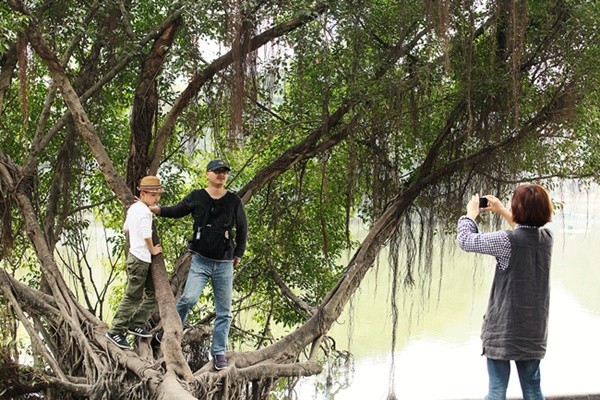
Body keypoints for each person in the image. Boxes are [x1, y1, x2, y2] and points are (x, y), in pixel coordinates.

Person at [456, 184, 554, 400]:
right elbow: (525, 231)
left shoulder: (505, 241)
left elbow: (465, 241)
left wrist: (469, 216)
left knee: (497, 390)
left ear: (517, 208)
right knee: (533, 388)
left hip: (503, 329)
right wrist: (501, 210)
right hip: (533, 330)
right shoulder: (546, 239)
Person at [150, 159, 247, 370]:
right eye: (217, 171)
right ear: (208, 174)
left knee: (224, 311)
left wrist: (238, 253)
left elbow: (242, 228)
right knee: (188, 298)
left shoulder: (233, 200)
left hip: (224, 263)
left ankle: (218, 352)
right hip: (201, 261)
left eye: (224, 172)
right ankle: (171, 333)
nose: (221, 175)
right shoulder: (197, 196)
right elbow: (176, 211)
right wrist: (154, 209)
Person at [106, 176, 164, 349]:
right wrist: (153, 249)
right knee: (133, 296)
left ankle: (136, 323)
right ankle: (115, 330)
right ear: (143, 193)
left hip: (136, 257)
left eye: (157, 195)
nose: (156, 199)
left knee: (152, 293)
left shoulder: (134, 208)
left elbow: (126, 228)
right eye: (153, 195)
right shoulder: (144, 212)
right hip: (140, 258)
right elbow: (147, 234)